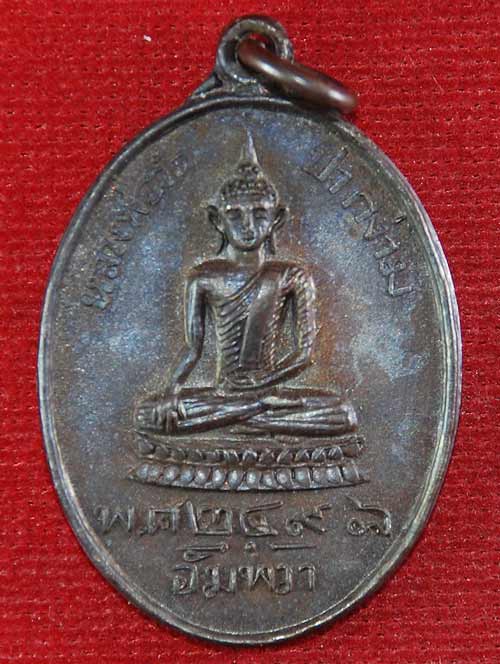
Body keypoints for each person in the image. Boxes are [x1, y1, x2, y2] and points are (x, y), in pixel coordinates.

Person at [135, 134, 357, 439]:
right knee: (148, 413)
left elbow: (304, 353)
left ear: (276, 219)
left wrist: (263, 383)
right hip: (224, 395)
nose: (248, 226)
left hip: (270, 392)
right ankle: (253, 416)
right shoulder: (204, 277)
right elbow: (193, 347)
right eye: (235, 215)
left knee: (343, 412)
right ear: (217, 220)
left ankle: (243, 418)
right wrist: (172, 389)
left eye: (259, 214)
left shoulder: (291, 275)